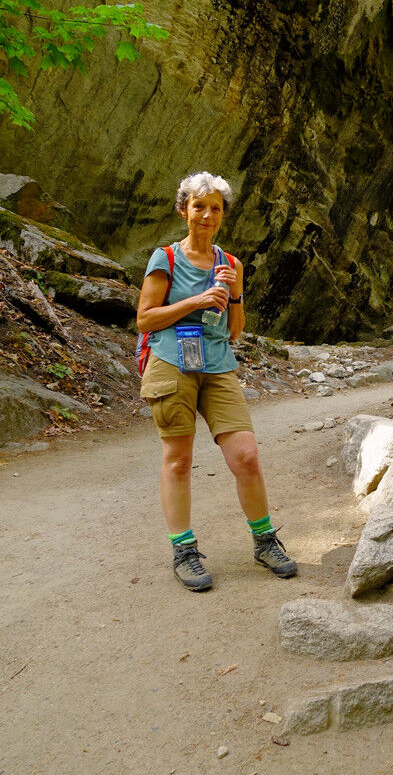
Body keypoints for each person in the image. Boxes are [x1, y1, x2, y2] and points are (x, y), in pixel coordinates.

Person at [136, 171, 296, 591]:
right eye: (199, 206)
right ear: (183, 210)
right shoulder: (165, 259)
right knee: (179, 459)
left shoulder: (231, 264)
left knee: (246, 456)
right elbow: (144, 318)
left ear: (223, 215)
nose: (207, 215)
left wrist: (234, 292)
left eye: (216, 208)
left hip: (218, 364)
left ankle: (265, 541)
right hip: (172, 361)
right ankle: (184, 550)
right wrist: (196, 300)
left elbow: (233, 331)